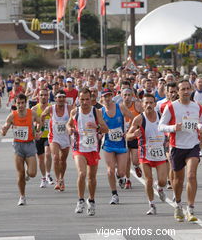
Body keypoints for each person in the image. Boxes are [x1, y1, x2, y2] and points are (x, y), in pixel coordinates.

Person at [158, 79, 202, 222]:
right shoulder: (171, 107)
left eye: (188, 89)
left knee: (191, 175)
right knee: (178, 180)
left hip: (193, 145)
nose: (186, 92)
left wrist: (201, 128)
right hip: (177, 146)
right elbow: (161, 126)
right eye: (182, 89)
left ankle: (190, 209)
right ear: (178, 92)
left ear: (191, 90)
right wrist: (174, 128)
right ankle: (178, 204)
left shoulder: (197, 107)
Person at [67, 88, 109, 216]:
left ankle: (91, 200)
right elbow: (68, 125)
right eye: (82, 99)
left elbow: (106, 129)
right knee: (82, 173)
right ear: (78, 99)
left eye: (87, 99)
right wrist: (70, 130)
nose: (84, 102)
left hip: (92, 148)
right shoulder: (75, 112)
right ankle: (80, 200)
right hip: (79, 148)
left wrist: (96, 127)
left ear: (91, 99)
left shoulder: (96, 112)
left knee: (91, 178)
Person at [127, 93, 168, 215]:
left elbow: (169, 128)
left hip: (160, 153)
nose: (149, 105)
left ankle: (160, 188)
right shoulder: (139, 119)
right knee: (148, 180)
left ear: (155, 104)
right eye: (146, 103)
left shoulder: (162, 116)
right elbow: (128, 136)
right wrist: (134, 134)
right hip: (145, 154)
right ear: (142, 105)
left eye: (151, 103)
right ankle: (152, 204)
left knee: (163, 181)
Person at [1, 93, 41, 205]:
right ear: (15, 103)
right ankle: (22, 196)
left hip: (29, 145)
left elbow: (39, 121)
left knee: (32, 173)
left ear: (26, 103)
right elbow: (5, 128)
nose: (20, 105)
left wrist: (38, 131)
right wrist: (3, 130)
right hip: (18, 146)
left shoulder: (31, 113)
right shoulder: (12, 116)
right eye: (18, 103)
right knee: (20, 174)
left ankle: (29, 174)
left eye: (22, 103)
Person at [101, 88, 133, 204]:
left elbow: (133, 118)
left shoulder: (120, 107)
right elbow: (98, 126)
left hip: (121, 143)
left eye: (109, 96)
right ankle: (114, 194)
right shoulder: (101, 111)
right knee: (109, 170)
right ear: (102, 98)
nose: (107, 98)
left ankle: (120, 177)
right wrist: (100, 132)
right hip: (108, 144)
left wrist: (129, 130)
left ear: (112, 96)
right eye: (105, 96)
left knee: (121, 172)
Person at [40, 90, 73, 191]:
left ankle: (62, 178)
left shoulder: (69, 108)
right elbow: (42, 116)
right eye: (59, 97)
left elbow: (75, 117)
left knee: (63, 160)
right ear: (55, 99)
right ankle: (58, 180)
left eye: (63, 97)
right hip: (54, 137)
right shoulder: (51, 109)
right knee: (55, 157)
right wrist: (41, 129)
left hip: (66, 137)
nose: (61, 99)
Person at [32, 89, 54, 188]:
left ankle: (48, 174)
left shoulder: (52, 108)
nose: (43, 97)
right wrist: (36, 126)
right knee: (40, 158)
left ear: (48, 96)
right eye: (41, 95)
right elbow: (30, 123)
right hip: (39, 136)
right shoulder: (34, 109)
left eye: (45, 95)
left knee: (48, 153)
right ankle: (43, 177)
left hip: (50, 135)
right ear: (38, 96)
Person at [122, 88, 143, 188]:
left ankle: (136, 166)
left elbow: (143, 117)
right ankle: (128, 180)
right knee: (126, 160)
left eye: (129, 95)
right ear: (122, 96)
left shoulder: (137, 106)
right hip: (124, 136)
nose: (127, 97)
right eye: (125, 95)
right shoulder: (119, 107)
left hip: (134, 135)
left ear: (132, 96)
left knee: (135, 160)